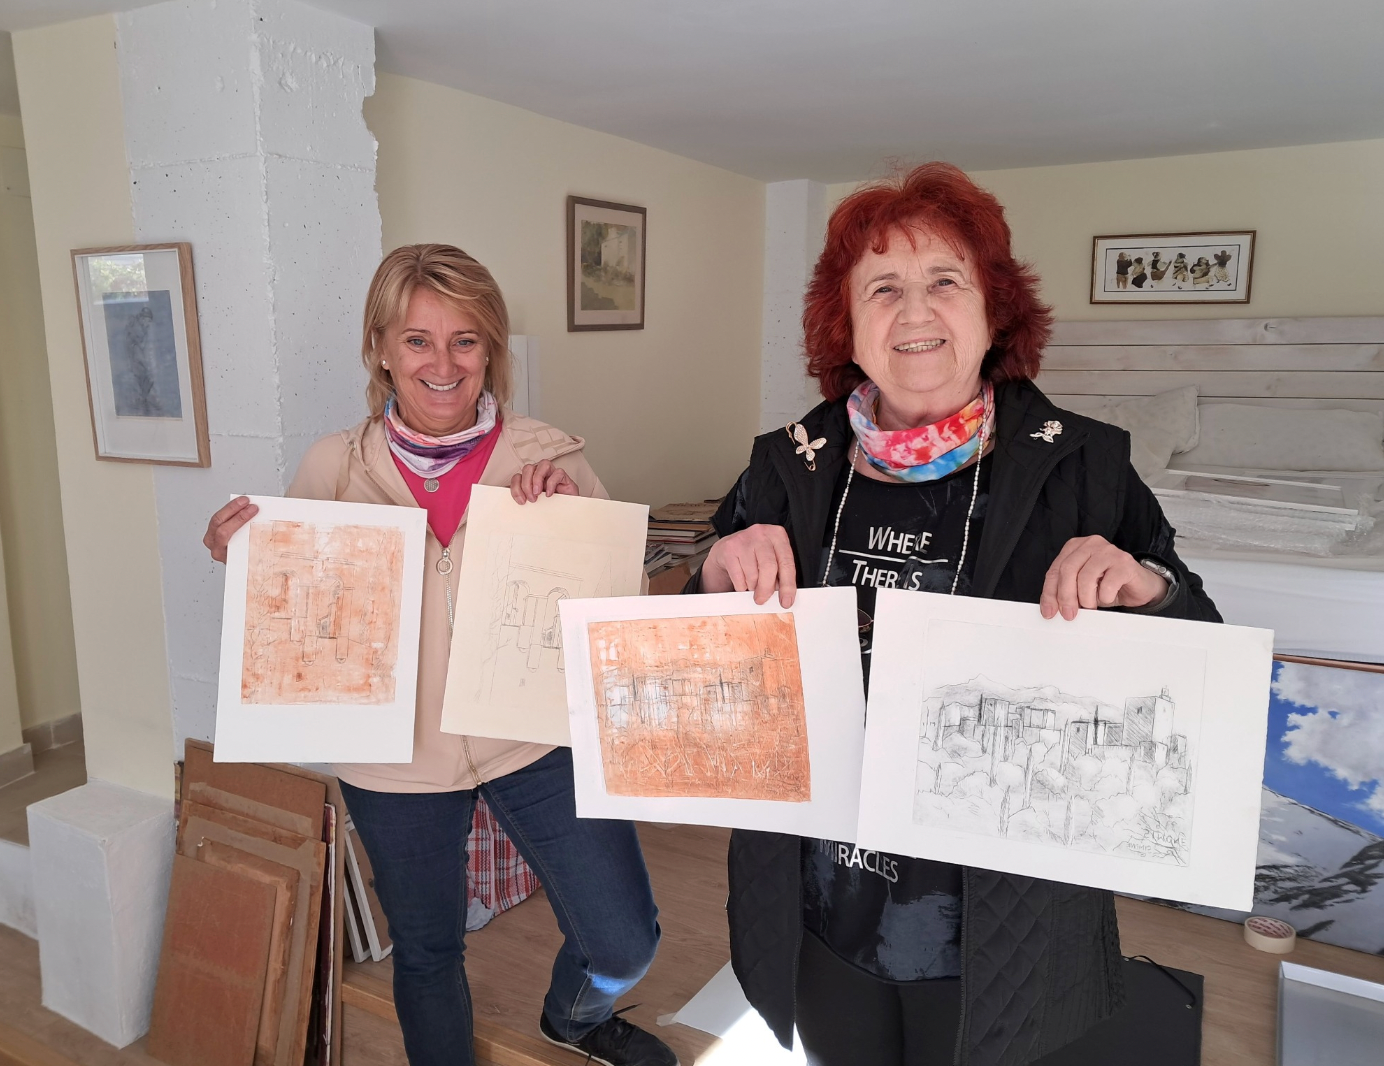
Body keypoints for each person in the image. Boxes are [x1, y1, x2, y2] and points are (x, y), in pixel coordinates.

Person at [688, 164, 1220, 1066]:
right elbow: (698, 642)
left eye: (945, 281)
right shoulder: (787, 465)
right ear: (846, 323)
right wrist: (713, 571)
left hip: (1003, 918)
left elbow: (1199, 644)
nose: (916, 311)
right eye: (882, 288)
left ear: (993, 311)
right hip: (817, 899)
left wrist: (1149, 590)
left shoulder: (1083, 467)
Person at [204, 244, 676, 1066]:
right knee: (426, 955)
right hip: (394, 761)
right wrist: (240, 557)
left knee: (623, 937)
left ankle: (573, 1018)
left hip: (533, 739)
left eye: (466, 340)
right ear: (381, 349)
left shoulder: (548, 457)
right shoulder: (334, 467)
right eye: (418, 340)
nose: (444, 364)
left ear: (491, 349)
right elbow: (298, 600)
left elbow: (624, 601)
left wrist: (572, 526)